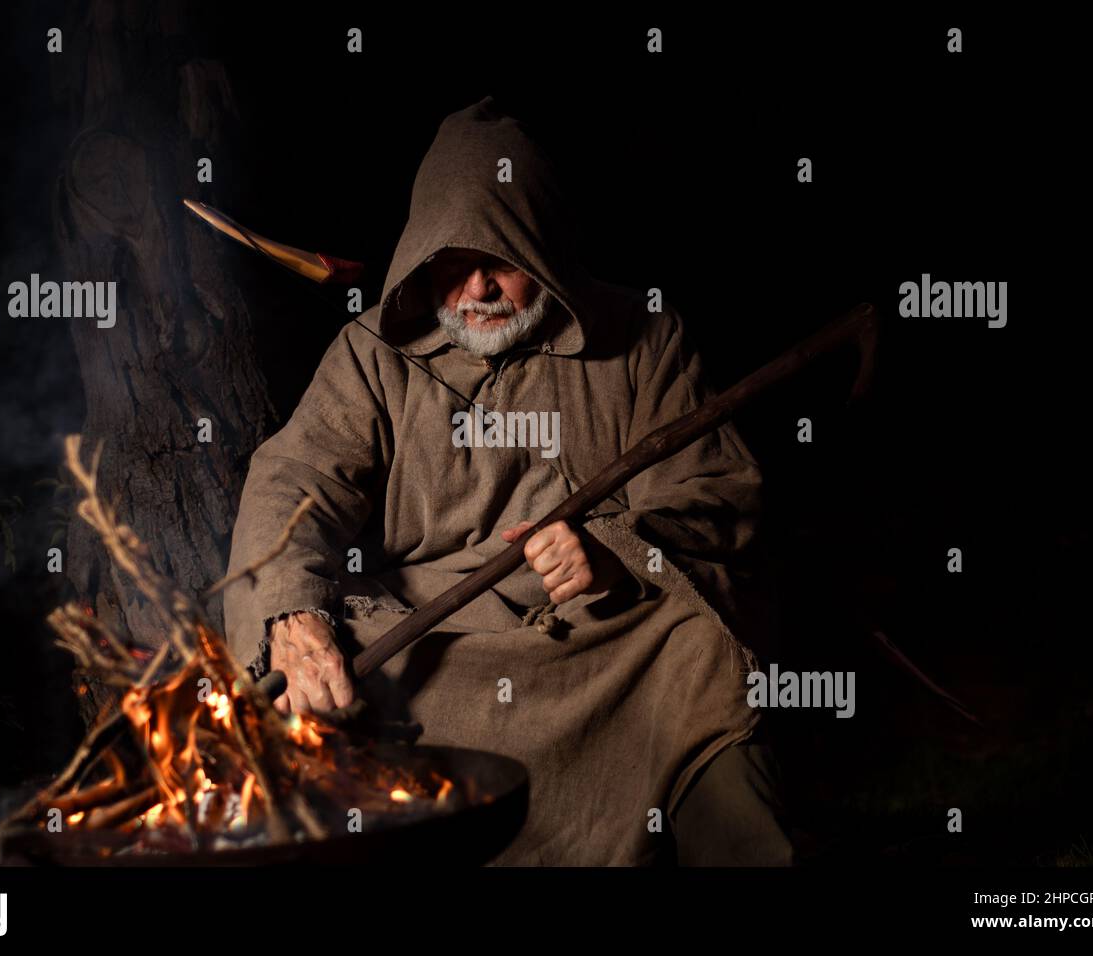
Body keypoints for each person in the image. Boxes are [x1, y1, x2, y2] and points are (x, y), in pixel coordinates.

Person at [223, 96, 792, 865]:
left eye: (502, 262)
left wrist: (616, 550)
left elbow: (718, 493)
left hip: (607, 637)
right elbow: (295, 480)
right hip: (443, 643)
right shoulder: (373, 354)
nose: (478, 289)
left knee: (697, 653)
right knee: (336, 686)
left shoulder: (645, 337)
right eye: (452, 265)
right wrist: (291, 615)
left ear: (545, 249)